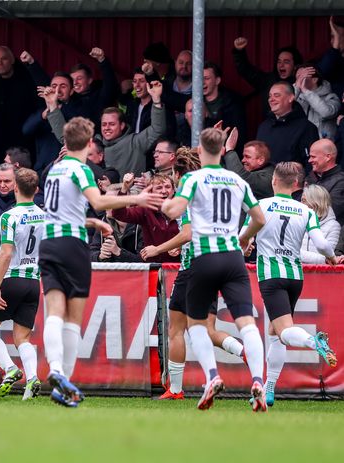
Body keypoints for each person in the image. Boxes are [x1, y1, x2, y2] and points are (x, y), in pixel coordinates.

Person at [38, 112, 163, 407]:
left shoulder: (54, 171)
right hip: (72, 247)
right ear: (90, 143)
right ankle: (62, 381)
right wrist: (136, 199)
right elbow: (99, 201)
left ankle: (55, 370)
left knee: (54, 310)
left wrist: (93, 224)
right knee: (73, 317)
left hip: (49, 243)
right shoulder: (81, 170)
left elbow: (65, 211)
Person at [161, 128, 267, 412]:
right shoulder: (236, 179)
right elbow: (259, 218)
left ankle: (212, 377)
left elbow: (175, 211)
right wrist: (244, 237)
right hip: (233, 257)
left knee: (196, 325)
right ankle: (258, 380)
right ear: (223, 150)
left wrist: (163, 204)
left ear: (200, 150)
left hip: (204, 257)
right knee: (246, 323)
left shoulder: (193, 179)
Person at [142, 147, 248, 399]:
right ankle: (244, 351)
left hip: (192, 268)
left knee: (177, 329)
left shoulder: (189, 193)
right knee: (204, 330)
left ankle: (177, 389)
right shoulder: (214, 191)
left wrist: (161, 247)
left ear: (178, 173)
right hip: (216, 262)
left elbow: (188, 233)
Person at [245, 162, 337, 408]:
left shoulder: (260, 206)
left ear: (273, 181)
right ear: (296, 185)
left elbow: (244, 236)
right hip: (295, 276)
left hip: (271, 275)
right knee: (275, 333)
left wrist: (245, 246)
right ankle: (270, 388)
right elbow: (321, 243)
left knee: (284, 330)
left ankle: (313, 342)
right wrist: (331, 257)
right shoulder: (305, 210)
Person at [0, 168, 45, 400]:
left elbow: (6, 253)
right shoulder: (44, 215)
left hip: (13, 278)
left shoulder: (9, 216)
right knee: (22, 337)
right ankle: (33, 377)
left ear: (16, 188)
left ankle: (10, 369)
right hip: (33, 282)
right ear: (36, 190)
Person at [299, 185, 341, 263]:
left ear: (315, 202)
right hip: (298, 272)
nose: (300, 204)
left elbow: (329, 257)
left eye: (303, 200)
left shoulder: (333, 226)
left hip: (320, 274)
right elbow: (290, 252)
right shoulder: (298, 221)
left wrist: (299, 254)